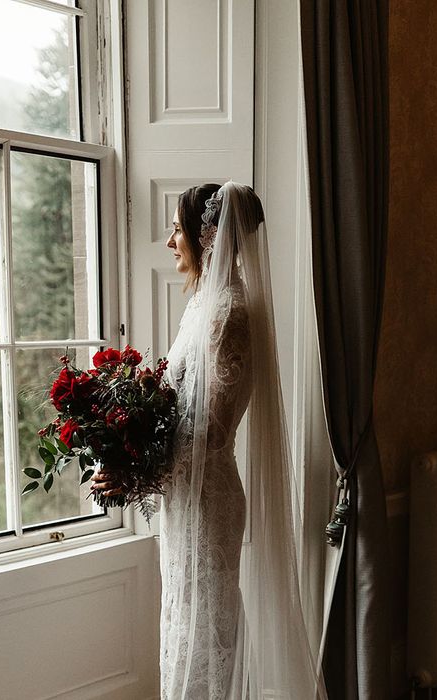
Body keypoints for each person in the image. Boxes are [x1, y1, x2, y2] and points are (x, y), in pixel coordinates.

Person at [92, 182, 327, 699]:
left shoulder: (230, 316)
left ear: (209, 234)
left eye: (177, 228)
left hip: (209, 498)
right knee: (186, 618)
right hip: (185, 496)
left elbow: (211, 433)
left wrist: (133, 471)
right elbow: (177, 412)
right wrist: (124, 437)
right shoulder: (203, 308)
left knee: (211, 626)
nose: (170, 241)